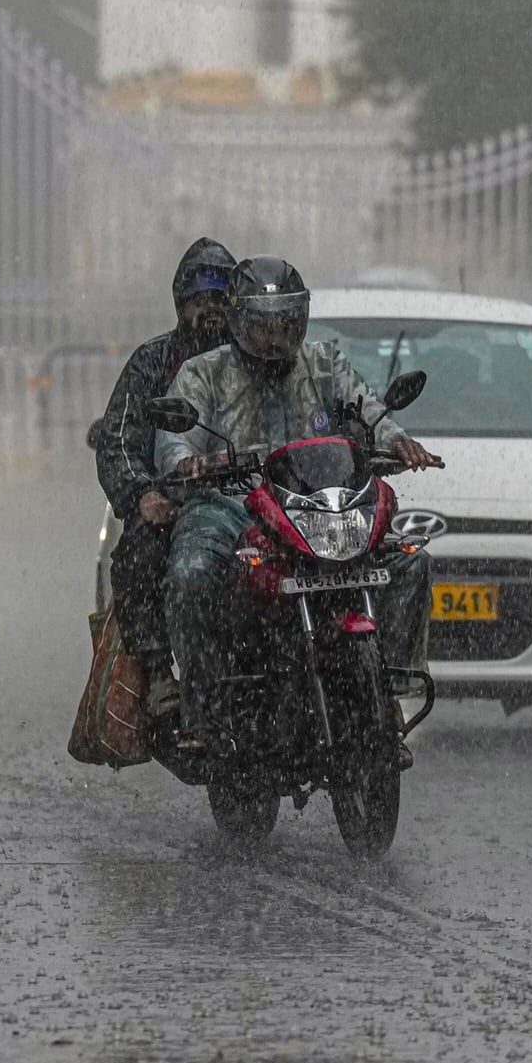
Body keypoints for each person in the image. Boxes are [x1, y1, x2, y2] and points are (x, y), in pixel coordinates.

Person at [155, 256, 437, 747]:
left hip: (317, 506)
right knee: (191, 571)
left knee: (409, 563)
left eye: (285, 321)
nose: (274, 335)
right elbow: (175, 438)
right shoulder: (204, 371)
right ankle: (203, 706)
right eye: (262, 323)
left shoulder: (325, 363)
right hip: (229, 506)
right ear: (239, 320)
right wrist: (185, 461)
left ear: (301, 318)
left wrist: (396, 441)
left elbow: (369, 410)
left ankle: (386, 684)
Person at [87, 236, 237, 717]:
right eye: (200, 300)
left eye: (220, 299)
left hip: (258, 503)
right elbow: (119, 440)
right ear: (180, 304)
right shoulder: (152, 363)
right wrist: (143, 495)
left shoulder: (264, 361)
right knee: (136, 559)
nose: (210, 310)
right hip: (179, 506)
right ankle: (157, 677)